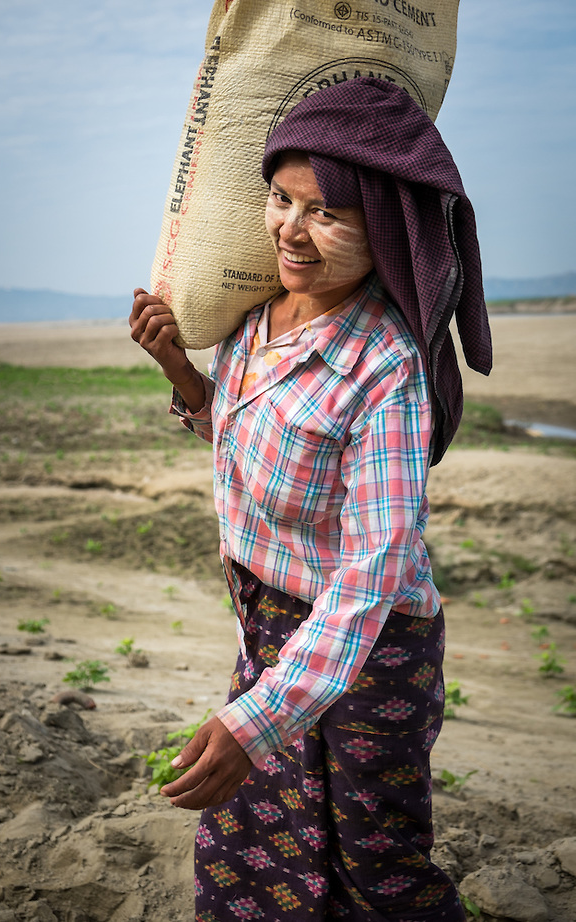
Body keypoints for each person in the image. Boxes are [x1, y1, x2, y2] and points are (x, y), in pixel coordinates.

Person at [129, 77, 492, 921]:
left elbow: (372, 572)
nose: (292, 229)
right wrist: (184, 373)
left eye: (326, 213)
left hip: (370, 648)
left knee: (377, 860)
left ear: (386, 230)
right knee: (252, 840)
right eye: (281, 200)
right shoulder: (259, 320)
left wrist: (253, 722)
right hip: (266, 627)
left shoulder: (387, 369)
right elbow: (255, 444)